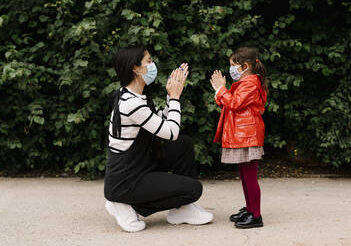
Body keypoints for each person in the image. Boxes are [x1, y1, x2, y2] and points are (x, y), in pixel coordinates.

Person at [104, 45, 213, 232]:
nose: (153, 65)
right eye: (149, 61)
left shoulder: (136, 96)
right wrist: (175, 97)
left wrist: (171, 99)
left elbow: (158, 122)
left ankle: (182, 209)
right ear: (136, 69)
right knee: (194, 189)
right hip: (126, 181)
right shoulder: (130, 103)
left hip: (141, 164)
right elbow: (170, 132)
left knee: (183, 145)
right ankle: (126, 205)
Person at [209, 46, 268, 229]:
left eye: (234, 65)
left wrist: (221, 89)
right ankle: (250, 209)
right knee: (244, 175)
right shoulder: (245, 83)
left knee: (249, 176)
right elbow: (228, 103)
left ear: (246, 66)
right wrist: (220, 92)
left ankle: (256, 215)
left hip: (248, 135)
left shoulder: (250, 83)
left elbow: (234, 103)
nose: (231, 69)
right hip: (242, 135)